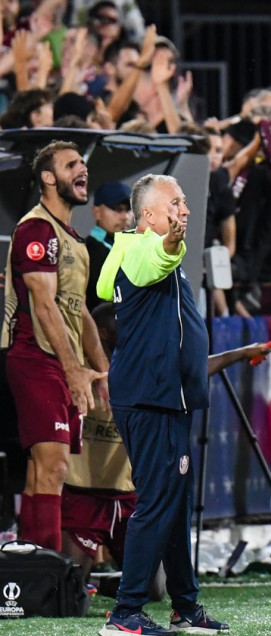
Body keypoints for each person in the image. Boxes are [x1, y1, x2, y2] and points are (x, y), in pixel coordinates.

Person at [62, 302, 271, 600]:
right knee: (70, 590)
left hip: (127, 496)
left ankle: (102, 581)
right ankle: (87, 580)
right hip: (85, 493)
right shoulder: (79, 372)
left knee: (155, 591)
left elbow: (189, 371)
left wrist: (240, 354)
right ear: (102, 332)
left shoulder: (137, 365)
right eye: (123, 323)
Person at [95, 174, 227, 636]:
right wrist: (170, 243)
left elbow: (109, 284)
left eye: (185, 202)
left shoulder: (127, 248)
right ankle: (125, 611)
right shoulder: (143, 250)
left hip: (158, 395)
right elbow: (157, 258)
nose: (184, 210)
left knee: (172, 498)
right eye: (175, 204)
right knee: (156, 501)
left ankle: (185, 605)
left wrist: (168, 243)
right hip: (154, 396)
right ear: (148, 215)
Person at [2, 140, 109, 554]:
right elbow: (43, 306)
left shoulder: (72, 239)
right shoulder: (36, 229)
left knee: (42, 472)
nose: (82, 170)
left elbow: (78, 310)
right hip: (35, 357)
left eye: (82, 163)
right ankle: (45, 573)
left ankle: (33, 570)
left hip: (60, 364)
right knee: (54, 467)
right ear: (48, 178)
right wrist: (72, 369)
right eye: (70, 165)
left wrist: (101, 372)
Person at [85, 180, 134, 311]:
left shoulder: (129, 250)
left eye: (129, 209)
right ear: (97, 212)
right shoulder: (89, 251)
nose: (125, 216)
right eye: (117, 209)